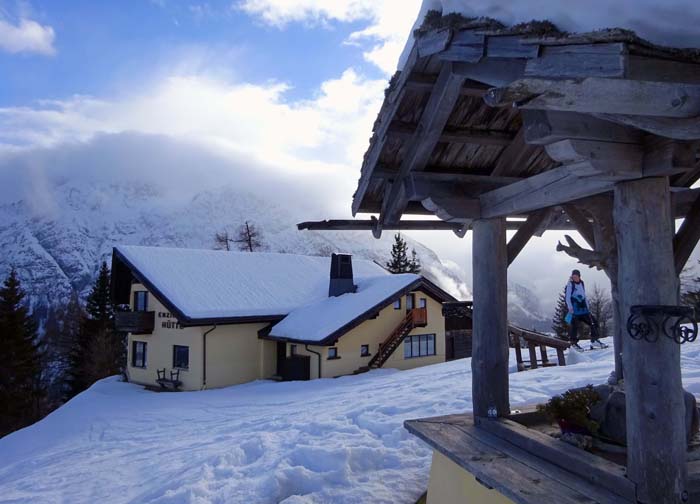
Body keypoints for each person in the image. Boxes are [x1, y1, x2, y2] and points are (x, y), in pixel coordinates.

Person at [565, 269, 604, 351]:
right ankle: (573, 343)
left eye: (576, 276)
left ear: (579, 276)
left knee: (593, 322)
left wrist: (587, 306)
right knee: (574, 326)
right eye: (573, 276)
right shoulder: (570, 284)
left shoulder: (581, 283)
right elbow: (567, 297)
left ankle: (594, 340)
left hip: (583, 308)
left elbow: (584, 295)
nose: (575, 278)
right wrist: (570, 307)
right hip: (574, 309)